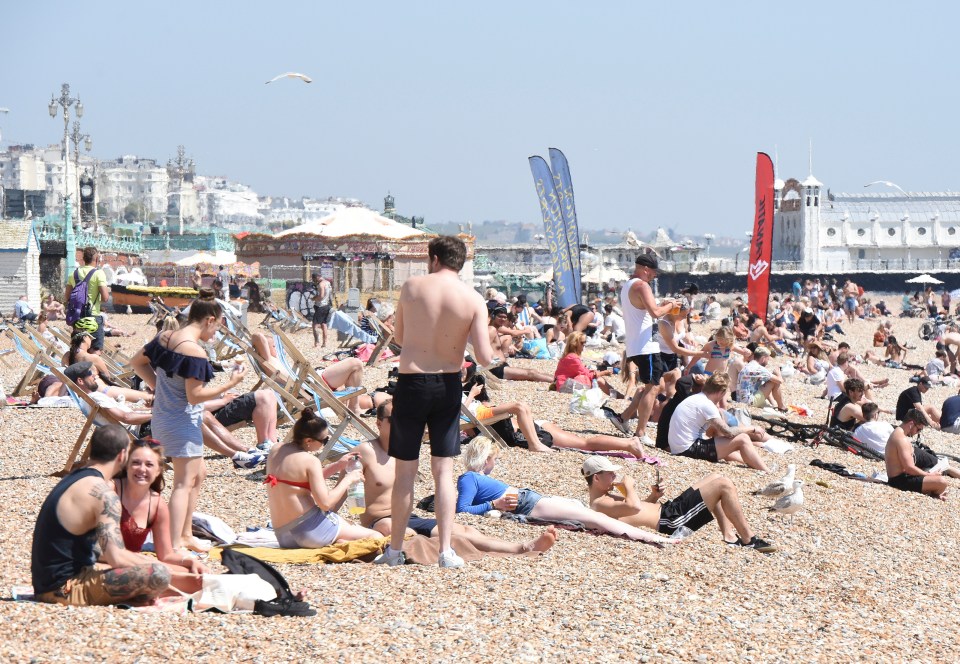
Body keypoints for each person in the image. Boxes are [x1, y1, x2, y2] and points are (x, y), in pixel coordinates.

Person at [375, 236, 496, 569]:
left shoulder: (413, 287)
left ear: (434, 258)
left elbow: (398, 337)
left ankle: (395, 551)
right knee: (444, 473)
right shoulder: (473, 299)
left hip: (412, 383)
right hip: (447, 384)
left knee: (404, 474)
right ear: (460, 263)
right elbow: (485, 355)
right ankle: (445, 551)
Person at [130, 289, 248, 553]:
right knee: (183, 482)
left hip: (165, 417)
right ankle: (172, 543)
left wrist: (159, 388)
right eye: (218, 325)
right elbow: (195, 397)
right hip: (181, 422)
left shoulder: (165, 337)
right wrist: (232, 383)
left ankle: (184, 535)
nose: (217, 332)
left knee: (198, 474)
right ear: (210, 320)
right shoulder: (195, 352)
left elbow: (136, 363)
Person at [356, 402, 558, 554]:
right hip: (380, 521)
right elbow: (346, 494)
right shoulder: (365, 452)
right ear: (379, 423)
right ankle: (521, 549)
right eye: (395, 420)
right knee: (438, 533)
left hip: (408, 517)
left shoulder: (406, 452)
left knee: (464, 529)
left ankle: (519, 547)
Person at [31, 424, 171, 606]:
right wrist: (159, 567)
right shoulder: (103, 494)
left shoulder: (74, 479)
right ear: (122, 456)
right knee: (159, 575)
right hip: (66, 590)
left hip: (45, 584)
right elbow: (116, 557)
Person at [456, 437, 673, 545]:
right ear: (485, 460)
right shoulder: (468, 478)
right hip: (528, 503)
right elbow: (462, 509)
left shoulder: (475, 478)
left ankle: (647, 536)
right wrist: (494, 505)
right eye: (494, 460)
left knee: (590, 517)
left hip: (529, 501)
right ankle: (650, 538)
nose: (495, 464)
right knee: (593, 518)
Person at [582, 456, 776, 552]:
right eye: (610, 473)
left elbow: (632, 513)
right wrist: (630, 486)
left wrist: (653, 496)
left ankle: (729, 535)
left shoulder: (606, 498)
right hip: (671, 521)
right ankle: (749, 540)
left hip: (667, 510)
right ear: (597, 479)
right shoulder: (600, 504)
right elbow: (633, 507)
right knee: (722, 485)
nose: (615, 475)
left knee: (715, 477)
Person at [264, 409, 382, 547]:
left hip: (284, 536)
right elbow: (325, 503)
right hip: (310, 532)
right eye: (324, 440)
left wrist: (338, 465)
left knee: (348, 530)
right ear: (308, 440)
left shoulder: (276, 450)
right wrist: (348, 479)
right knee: (376, 536)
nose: (325, 443)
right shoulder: (310, 460)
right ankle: (342, 543)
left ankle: (341, 542)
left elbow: (303, 480)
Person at [114, 438, 207, 592]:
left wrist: (190, 561)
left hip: (134, 564)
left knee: (195, 578)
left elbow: (166, 554)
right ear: (126, 465)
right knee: (173, 580)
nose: (142, 469)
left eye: (149, 464)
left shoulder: (156, 503)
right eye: (136, 463)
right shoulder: (112, 490)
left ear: (158, 470)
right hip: (103, 562)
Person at [604, 254, 676, 444]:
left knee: (654, 385)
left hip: (637, 344)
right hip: (645, 346)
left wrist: (661, 305)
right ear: (645, 269)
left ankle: (623, 417)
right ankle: (641, 433)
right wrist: (671, 305)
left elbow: (644, 310)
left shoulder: (628, 284)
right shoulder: (642, 285)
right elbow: (655, 313)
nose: (654, 276)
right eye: (653, 272)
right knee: (653, 388)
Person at [667, 373, 770, 472]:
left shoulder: (697, 398)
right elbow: (728, 432)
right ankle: (766, 471)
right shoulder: (707, 404)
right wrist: (752, 428)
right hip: (687, 450)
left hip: (678, 447)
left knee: (718, 431)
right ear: (721, 392)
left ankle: (750, 461)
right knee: (743, 438)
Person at [885, 409, 948, 498]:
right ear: (911, 424)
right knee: (942, 482)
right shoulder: (901, 439)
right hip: (899, 481)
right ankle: (932, 494)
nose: (917, 433)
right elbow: (909, 468)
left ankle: (932, 492)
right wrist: (929, 475)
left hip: (898, 478)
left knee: (935, 477)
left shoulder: (897, 433)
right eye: (918, 429)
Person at [486, 307, 554, 383]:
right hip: (496, 369)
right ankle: (560, 382)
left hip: (501, 365)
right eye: (500, 316)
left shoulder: (496, 328)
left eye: (504, 317)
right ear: (493, 316)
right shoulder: (491, 329)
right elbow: (483, 349)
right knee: (531, 373)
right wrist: (526, 330)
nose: (502, 319)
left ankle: (560, 380)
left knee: (533, 372)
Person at [65, 247, 110, 351]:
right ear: (97, 259)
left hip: (78, 317)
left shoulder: (73, 274)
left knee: (79, 348)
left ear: (83, 259)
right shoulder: (99, 273)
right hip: (93, 316)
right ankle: (91, 366)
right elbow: (105, 298)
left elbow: (67, 297)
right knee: (95, 350)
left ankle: (79, 366)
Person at [553, 332, 621, 397]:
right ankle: (618, 397)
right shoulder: (572, 358)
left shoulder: (570, 356)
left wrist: (598, 373)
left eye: (585, 342)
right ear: (575, 344)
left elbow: (584, 371)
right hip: (564, 386)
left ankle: (617, 396)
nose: (584, 345)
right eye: (582, 343)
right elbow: (587, 374)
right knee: (598, 380)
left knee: (597, 378)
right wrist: (604, 372)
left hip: (564, 384)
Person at [736, 346, 786, 411]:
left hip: (740, 400)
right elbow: (779, 381)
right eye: (767, 359)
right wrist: (778, 373)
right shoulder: (759, 369)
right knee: (774, 381)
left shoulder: (749, 365)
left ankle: (774, 404)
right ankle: (781, 407)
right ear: (763, 359)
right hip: (749, 402)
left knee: (769, 380)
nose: (768, 362)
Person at [311, 272, 332, 348]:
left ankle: (316, 343)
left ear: (317, 277)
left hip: (320, 306)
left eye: (314, 279)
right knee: (324, 324)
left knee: (315, 325)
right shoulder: (328, 283)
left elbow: (321, 296)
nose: (314, 281)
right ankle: (324, 343)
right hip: (327, 305)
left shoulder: (321, 284)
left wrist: (314, 298)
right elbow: (329, 295)